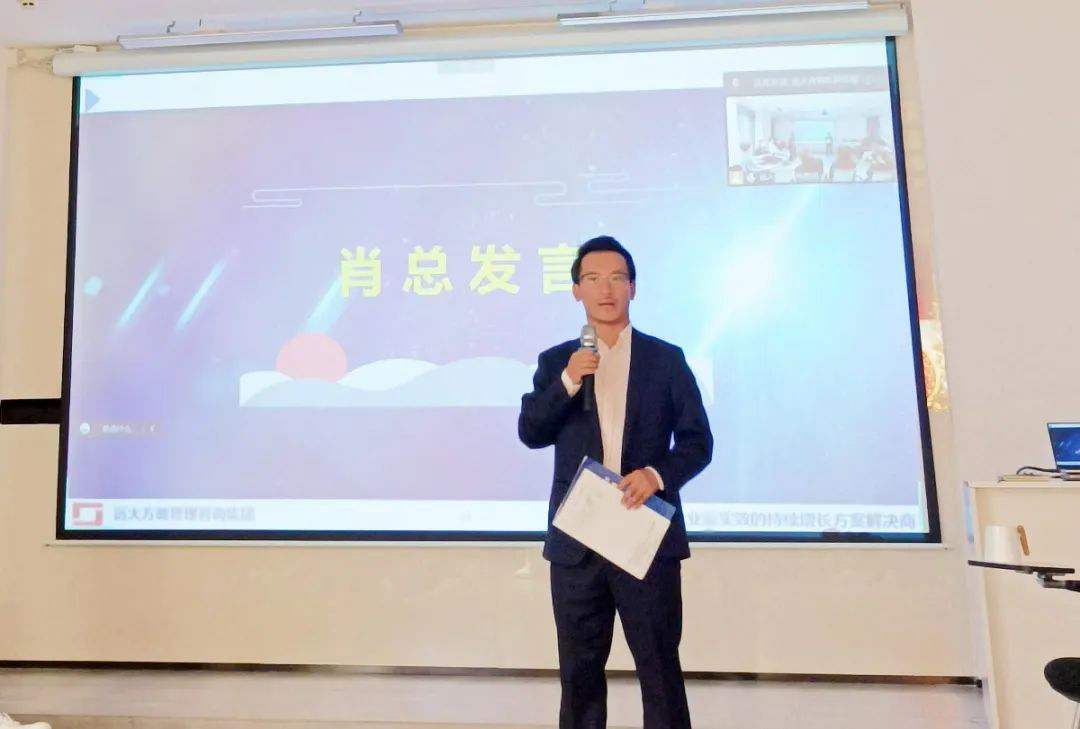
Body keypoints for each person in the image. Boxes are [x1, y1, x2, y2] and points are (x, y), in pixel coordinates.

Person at [518, 235, 713, 729]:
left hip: (643, 534)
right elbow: (531, 432)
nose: (605, 289)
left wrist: (656, 475)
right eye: (592, 279)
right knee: (579, 675)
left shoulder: (666, 360)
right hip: (577, 543)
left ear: (633, 288)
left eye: (616, 278)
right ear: (576, 291)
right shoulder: (557, 362)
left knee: (659, 670)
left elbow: (698, 442)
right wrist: (568, 382)